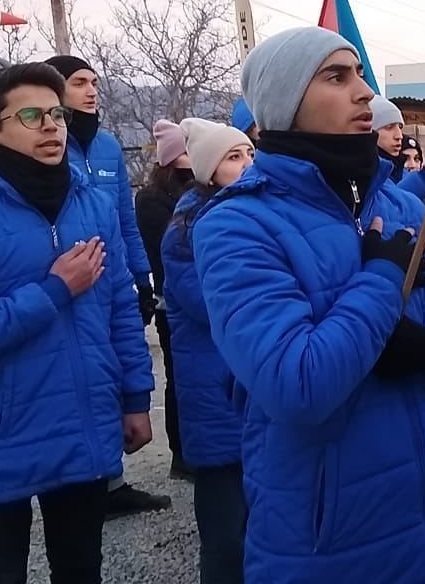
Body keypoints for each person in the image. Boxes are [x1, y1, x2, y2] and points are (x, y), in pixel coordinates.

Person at [193, 27, 425, 584]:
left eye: (360, 75)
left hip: (423, 533)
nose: (365, 93)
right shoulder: (237, 224)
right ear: (286, 102)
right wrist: (381, 280)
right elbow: (297, 386)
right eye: (336, 76)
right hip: (322, 546)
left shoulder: (403, 208)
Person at [0, 64, 156, 584]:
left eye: (57, 114)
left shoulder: (93, 207)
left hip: (83, 429)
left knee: (82, 569)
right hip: (1, 436)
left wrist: (136, 396)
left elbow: (119, 310)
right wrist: (54, 290)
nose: (50, 126)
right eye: (30, 115)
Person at [43, 55, 171, 518]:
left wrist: (141, 277)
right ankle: (80, 483)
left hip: (110, 280)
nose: (92, 90)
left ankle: (112, 481)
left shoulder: (108, 146)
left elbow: (125, 220)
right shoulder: (47, 146)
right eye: (79, 82)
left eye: (94, 82)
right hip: (68, 282)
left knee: (115, 370)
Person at [161, 118, 253, 584]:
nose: (248, 164)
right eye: (233, 157)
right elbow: (213, 304)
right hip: (215, 394)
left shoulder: (253, 215)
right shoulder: (185, 234)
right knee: (226, 535)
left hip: (250, 388)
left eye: (250, 154)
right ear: (207, 171)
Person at [134, 119, 194, 482]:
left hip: (191, 299)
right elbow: (169, 247)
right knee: (179, 378)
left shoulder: (202, 190)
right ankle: (181, 453)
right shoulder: (152, 200)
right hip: (171, 303)